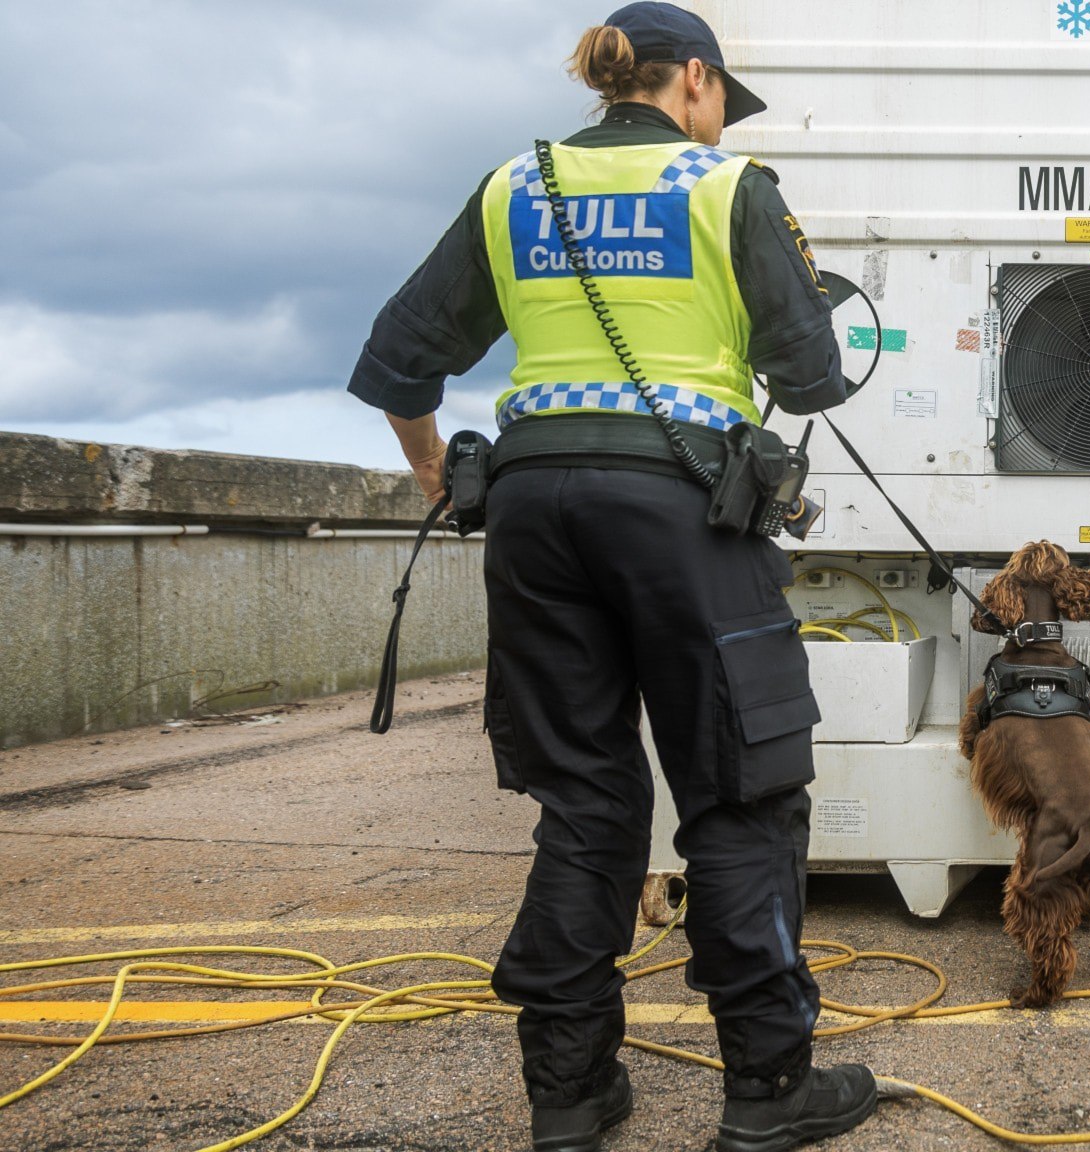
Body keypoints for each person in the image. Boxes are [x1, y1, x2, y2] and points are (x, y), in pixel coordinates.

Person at [346, 6, 876, 1151]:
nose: (720, 128)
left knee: (584, 802)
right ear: (692, 80)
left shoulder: (510, 187)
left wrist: (439, 473)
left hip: (534, 510)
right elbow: (811, 368)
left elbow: (398, 360)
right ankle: (769, 1091)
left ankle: (571, 1095)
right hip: (682, 509)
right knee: (738, 790)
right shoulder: (726, 190)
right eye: (717, 106)